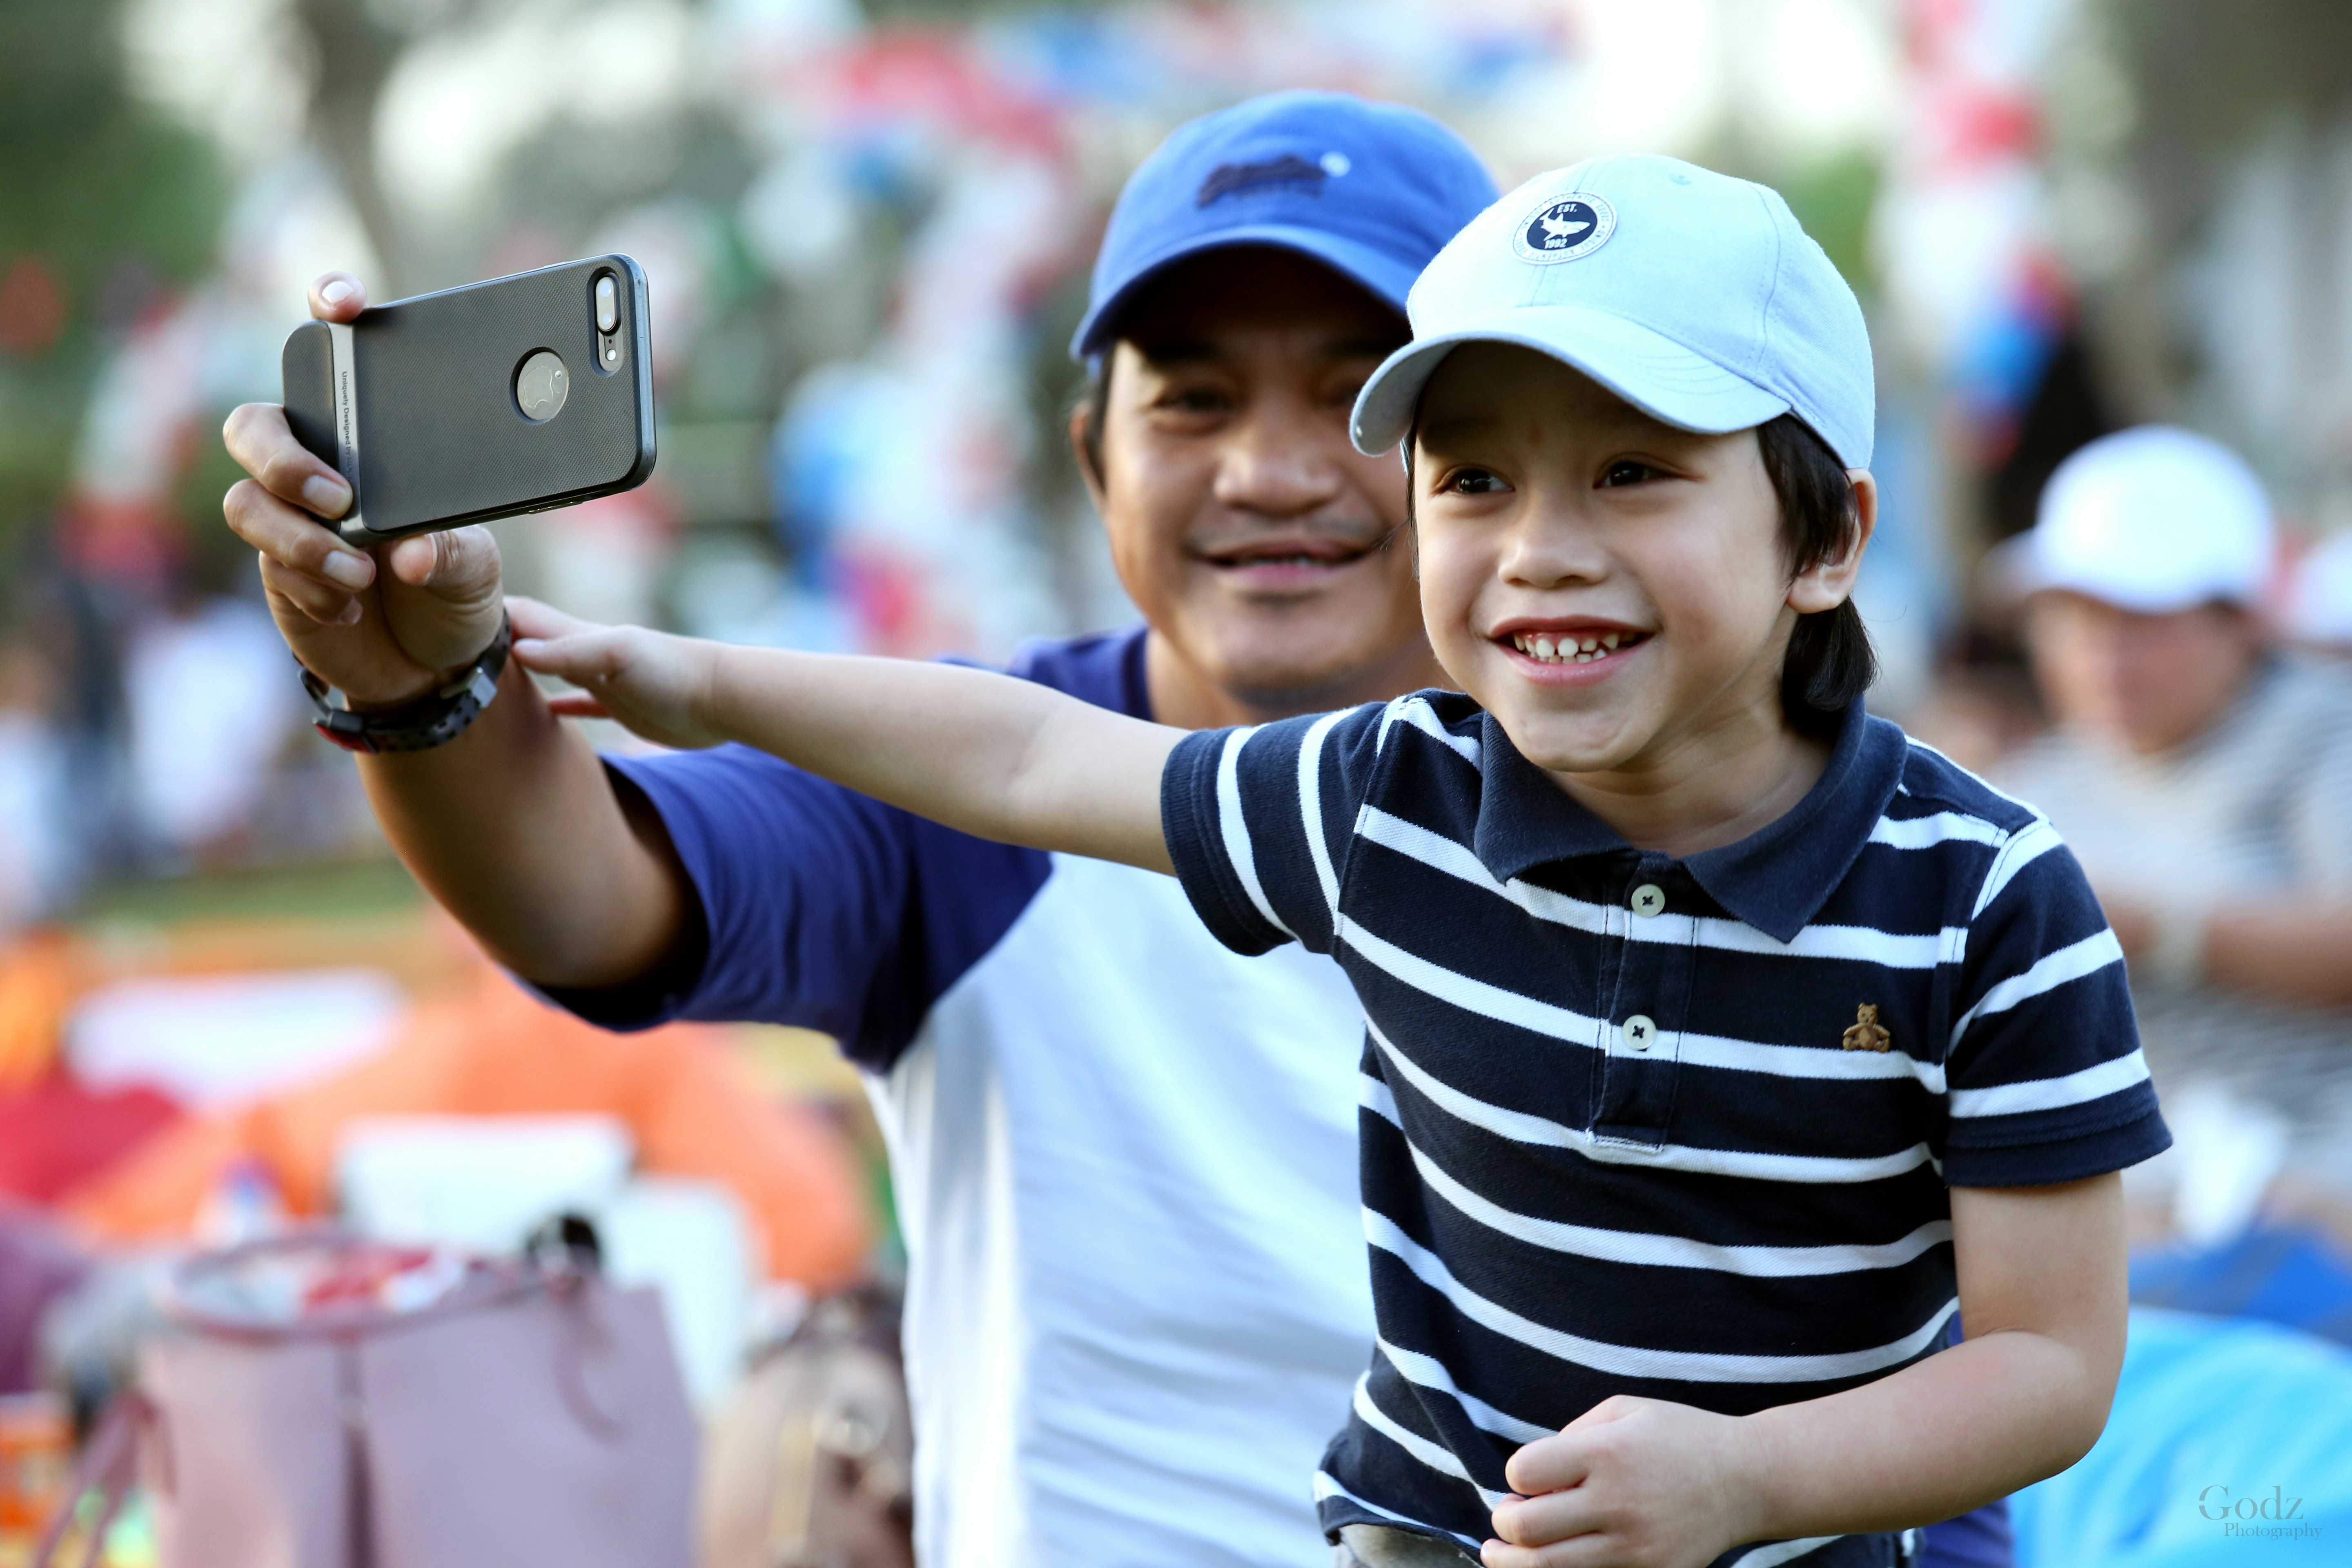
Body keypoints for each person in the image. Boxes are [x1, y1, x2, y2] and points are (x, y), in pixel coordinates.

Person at [507, 157, 2163, 1568]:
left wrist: (1742, 1483)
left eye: (1634, 471)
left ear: (1829, 539)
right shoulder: (1393, 798)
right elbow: (1021, 752)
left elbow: (2049, 1363)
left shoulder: (1987, 903)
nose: (1542, 549)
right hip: (1437, 1535)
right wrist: (697, 678)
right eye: (1477, 478)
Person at [221, 92, 1488, 1568]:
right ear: (1093, 457)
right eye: (1192, 402)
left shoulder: (1676, 805)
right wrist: (417, 681)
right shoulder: (960, 784)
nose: (1269, 472)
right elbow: (584, 897)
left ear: (1490, 454)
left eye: (1353, 399)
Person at [1998, 428, 2352, 1214]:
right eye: (2075, 620)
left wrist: (2156, 928)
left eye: (2142, 622)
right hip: (2129, 1179)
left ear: (2241, 624)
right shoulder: (2032, 785)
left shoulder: (2324, 735)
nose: (2104, 657)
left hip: (2320, 1161)